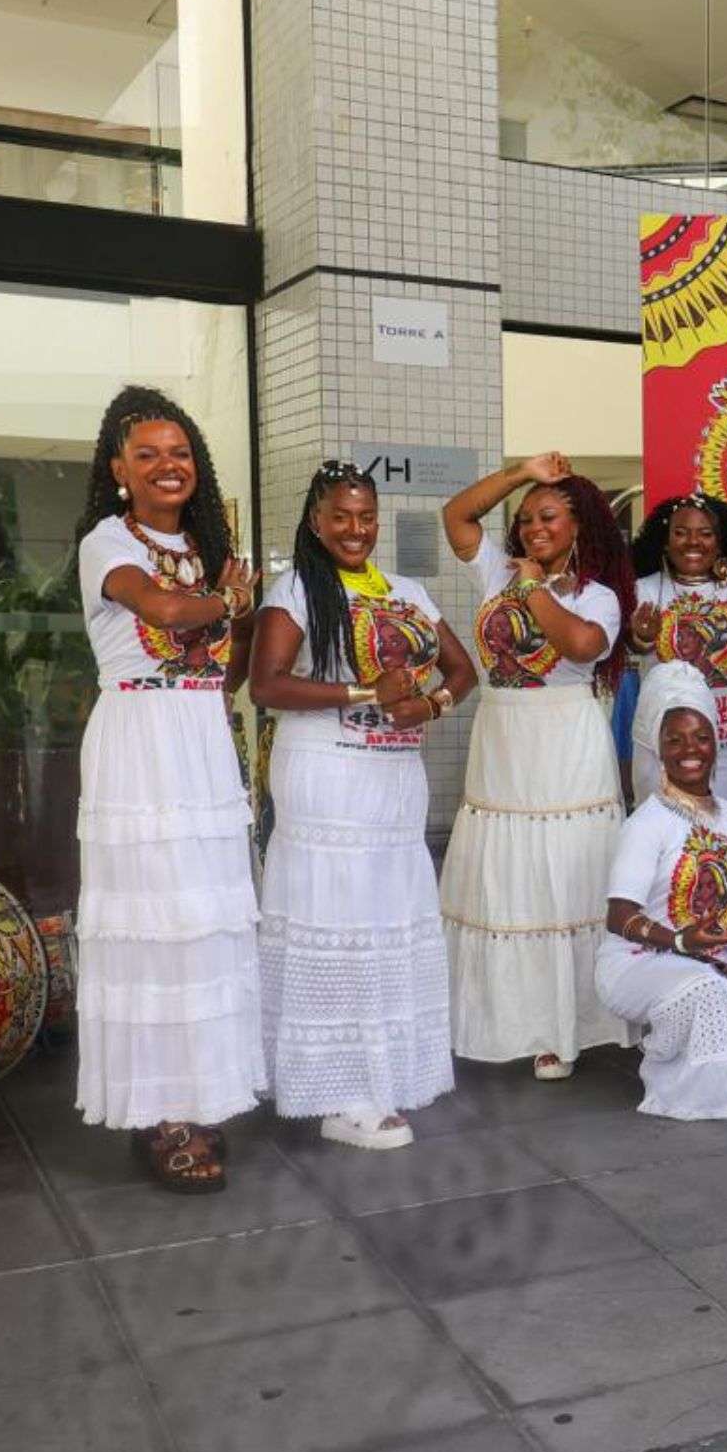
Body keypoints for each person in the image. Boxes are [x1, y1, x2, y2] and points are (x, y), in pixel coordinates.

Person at [250, 459, 474, 1150]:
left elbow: (462, 669)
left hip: (392, 784)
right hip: (327, 779)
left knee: (385, 924)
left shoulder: (405, 591)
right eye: (340, 517)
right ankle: (337, 1093)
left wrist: (427, 704)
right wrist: (367, 695)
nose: (355, 529)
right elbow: (266, 684)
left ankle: (382, 1075)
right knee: (339, 927)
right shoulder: (296, 589)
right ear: (316, 522)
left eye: (366, 516)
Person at [71, 386, 262, 1192]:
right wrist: (230, 601)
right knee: (152, 926)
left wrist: (236, 613)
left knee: (204, 922)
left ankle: (201, 1089)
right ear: (119, 471)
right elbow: (160, 608)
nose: (166, 466)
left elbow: (229, 667)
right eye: (146, 455)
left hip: (200, 738)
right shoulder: (107, 540)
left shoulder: (211, 549)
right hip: (140, 744)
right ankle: (162, 1113)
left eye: (179, 452)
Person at [438, 451, 636, 1080]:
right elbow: (457, 514)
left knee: (566, 878)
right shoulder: (496, 571)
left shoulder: (598, 596)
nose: (532, 528)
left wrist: (530, 588)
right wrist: (523, 473)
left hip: (566, 742)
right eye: (524, 520)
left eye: (548, 516)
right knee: (510, 878)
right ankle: (508, 1018)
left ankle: (564, 1027)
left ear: (580, 528)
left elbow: (580, 645)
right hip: (503, 738)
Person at [595, 661, 727, 1120]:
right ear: (658, 751)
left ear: (716, 744)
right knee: (706, 992)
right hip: (638, 962)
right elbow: (619, 915)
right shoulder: (648, 823)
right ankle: (681, 1087)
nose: (691, 750)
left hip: (712, 956)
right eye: (676, 740)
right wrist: (681, 941)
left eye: (701, 738)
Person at [624, 492, 727, 820]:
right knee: (665, 849)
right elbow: (636, 648)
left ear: (720, 543)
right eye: (681, 532)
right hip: (661, 747)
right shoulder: (643, 590)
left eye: (705, 534)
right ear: (665, 541)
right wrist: (642, 638)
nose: (693, 542)